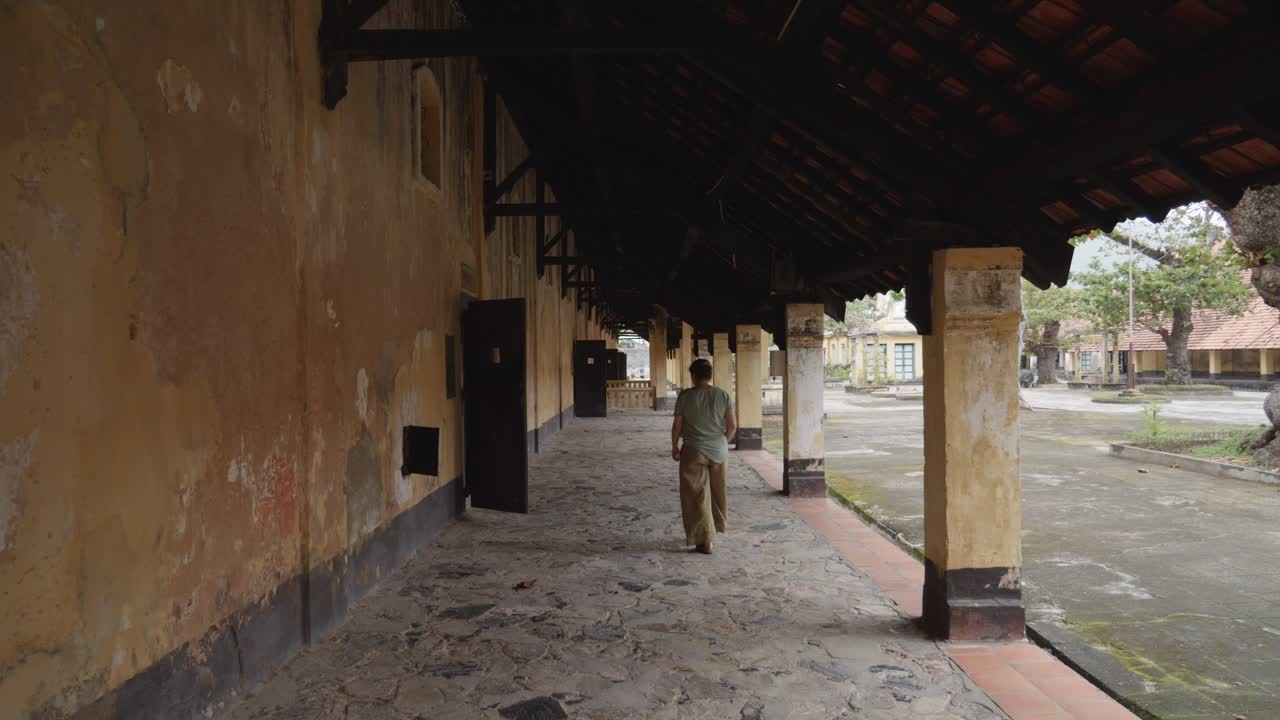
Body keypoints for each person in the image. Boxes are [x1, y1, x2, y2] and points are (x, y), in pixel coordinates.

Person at [671, 358, 737, 554]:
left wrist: (675, 446)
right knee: (717, 493)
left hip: (693, 451)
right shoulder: (722, 395)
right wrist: (723, 441)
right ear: (709, 375)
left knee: (696, 495)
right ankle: (715, 530)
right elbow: (732, 425)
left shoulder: (685, 397)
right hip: (718, 451)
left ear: (693, 375)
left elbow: (677, 426)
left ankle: (705, 540)